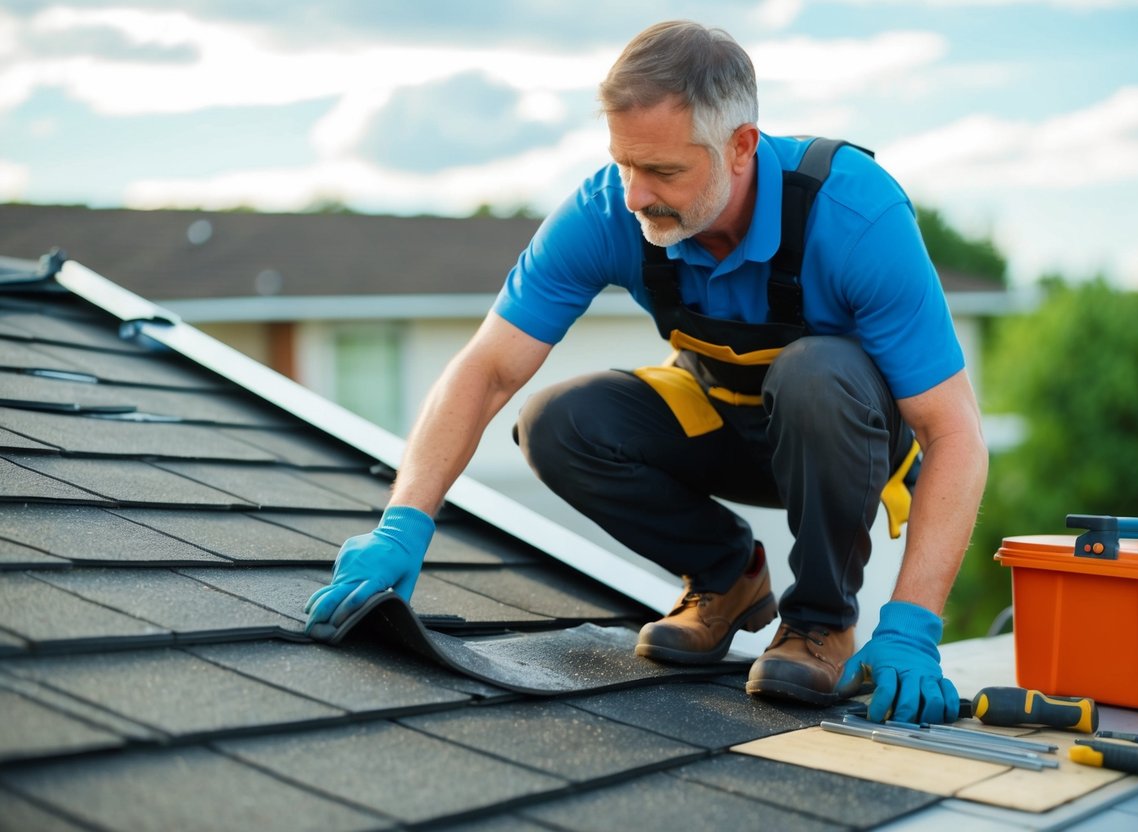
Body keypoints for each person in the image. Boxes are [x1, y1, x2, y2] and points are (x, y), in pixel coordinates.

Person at [305, 20, 988, 724]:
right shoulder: (611, 210)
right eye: (625, 164)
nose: (635, 195)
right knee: (556, 422)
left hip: (841, 442)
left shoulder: (854, 215)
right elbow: (487, 369)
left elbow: (955, 435)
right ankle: (726, 578)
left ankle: (819, 624)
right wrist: (404, 521)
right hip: (720, 419)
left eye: (663, 171)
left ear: (741, 147)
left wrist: (911, 625)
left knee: (815, 371)